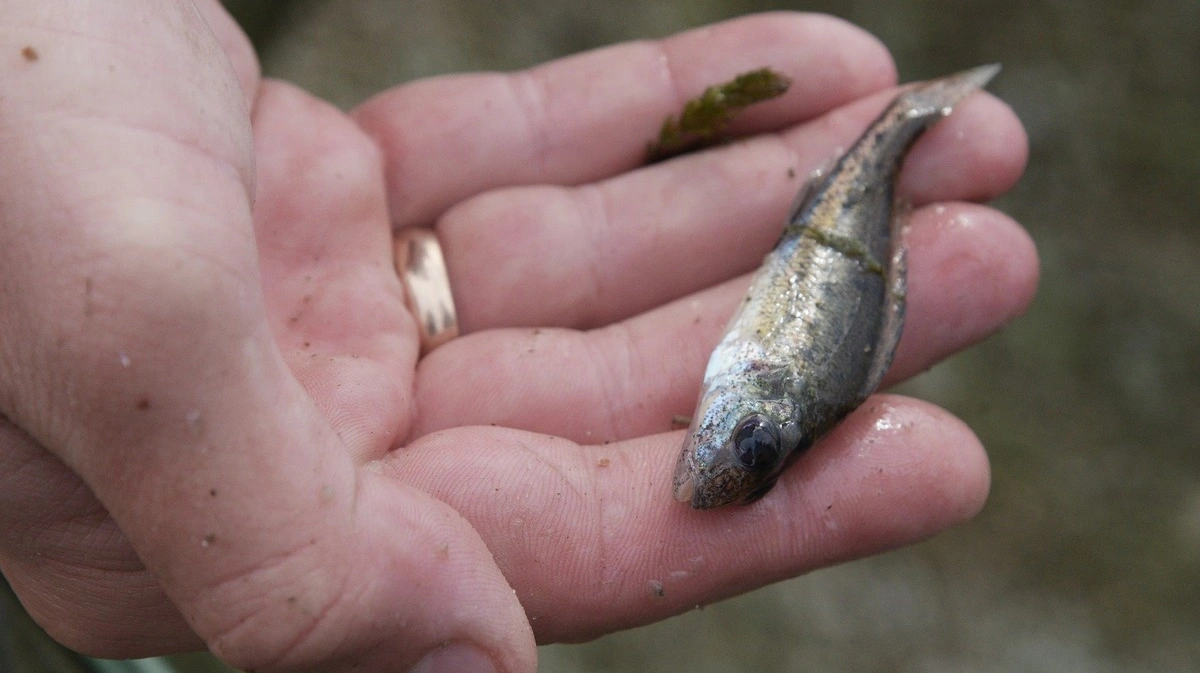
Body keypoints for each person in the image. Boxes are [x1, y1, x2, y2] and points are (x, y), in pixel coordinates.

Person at [0, 3, 1035, 673]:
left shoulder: (754, 382)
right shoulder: (767, 376)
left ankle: (913, 121)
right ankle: (909, 121)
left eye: (749, 457)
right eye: (747, 451)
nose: (719, 460)